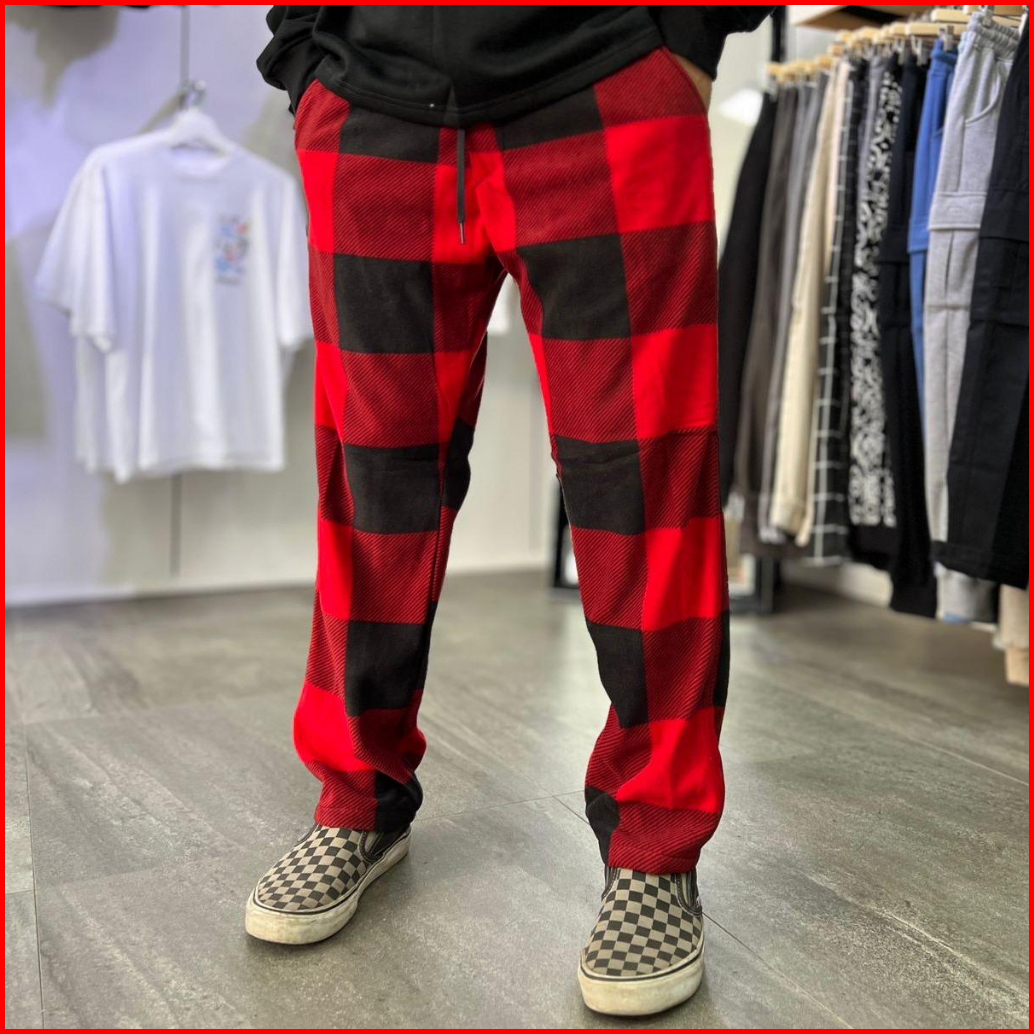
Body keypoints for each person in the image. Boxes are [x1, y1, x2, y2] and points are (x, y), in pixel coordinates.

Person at [247, 5, 771, 1017]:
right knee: (373, 486)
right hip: (367, 99)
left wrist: (686, 34)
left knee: (644, 492)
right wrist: (304, 53)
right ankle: (358, 799)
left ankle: (655, 846)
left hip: (604, 76)